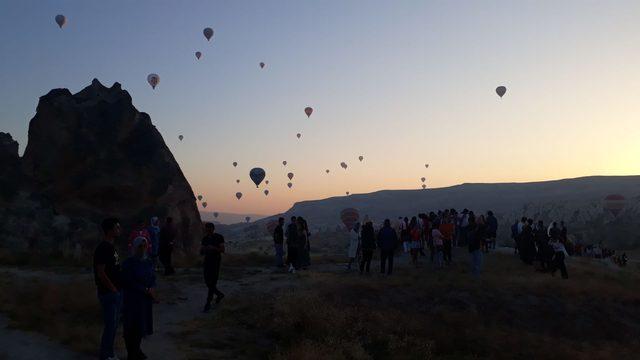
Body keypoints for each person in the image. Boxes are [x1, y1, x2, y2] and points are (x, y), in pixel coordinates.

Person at [122, 237, 156, 360]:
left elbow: (153, 277)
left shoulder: (148, 261)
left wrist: (152, 288)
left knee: (142, 326)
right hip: (133, 299)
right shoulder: (129, 263)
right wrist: (145, 290)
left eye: (144, 246)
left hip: (145, 300)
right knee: (132, 327)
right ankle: (132, 353)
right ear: (135, 247)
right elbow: (128, 281)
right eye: (140, 246)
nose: (142, 249)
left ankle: (137, 350)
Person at [93, 218, 123, 360]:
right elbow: (101, 272)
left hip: (115, 292)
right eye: (117, 227)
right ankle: (105, 355)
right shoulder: (104, 248)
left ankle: (109, 353)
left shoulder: (111, 247)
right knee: (110, 326)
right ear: (110, 230)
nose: (119, 229)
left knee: (114, 326)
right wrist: (113, 290)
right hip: (109, 293)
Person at [201, 223, 225, 312]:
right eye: (206, 228)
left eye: (209, 228)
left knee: (212, 283)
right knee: (208, 282)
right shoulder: (205, 239)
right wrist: (203, 249)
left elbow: (222, 250)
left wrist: (213, 248)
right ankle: (219, 294)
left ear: (213, 228)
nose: (208, 230)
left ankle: (208, 303)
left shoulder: (219, 237)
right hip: (207, 262)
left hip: (215, 262)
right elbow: (202, 251)